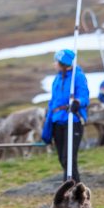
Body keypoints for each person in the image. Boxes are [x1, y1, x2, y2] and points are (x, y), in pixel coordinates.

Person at [42, 49, 89, 183]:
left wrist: (77, 102)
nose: (54, 64)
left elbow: (84, 96)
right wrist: (47, 127)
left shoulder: (78, 77)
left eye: (56, 61)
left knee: (68, 158)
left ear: (63, 62)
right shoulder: (56, 79)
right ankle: (75, 190)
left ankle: (71, 190)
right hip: (57, 121)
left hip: (72, 121)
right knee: (63, 159)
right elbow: (52, 103)